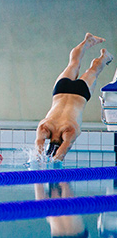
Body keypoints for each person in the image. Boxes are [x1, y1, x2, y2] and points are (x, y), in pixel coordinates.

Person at [36, 33, 113, 161]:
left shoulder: (69, 131)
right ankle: (87, 41)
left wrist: (52, 163)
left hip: (80, 94)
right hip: (60, 91)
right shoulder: (45, 127)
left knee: (94, 69)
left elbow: (61, 154)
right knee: (73, 63)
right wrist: (39, 159)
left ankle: (105, 56)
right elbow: (38, 150)